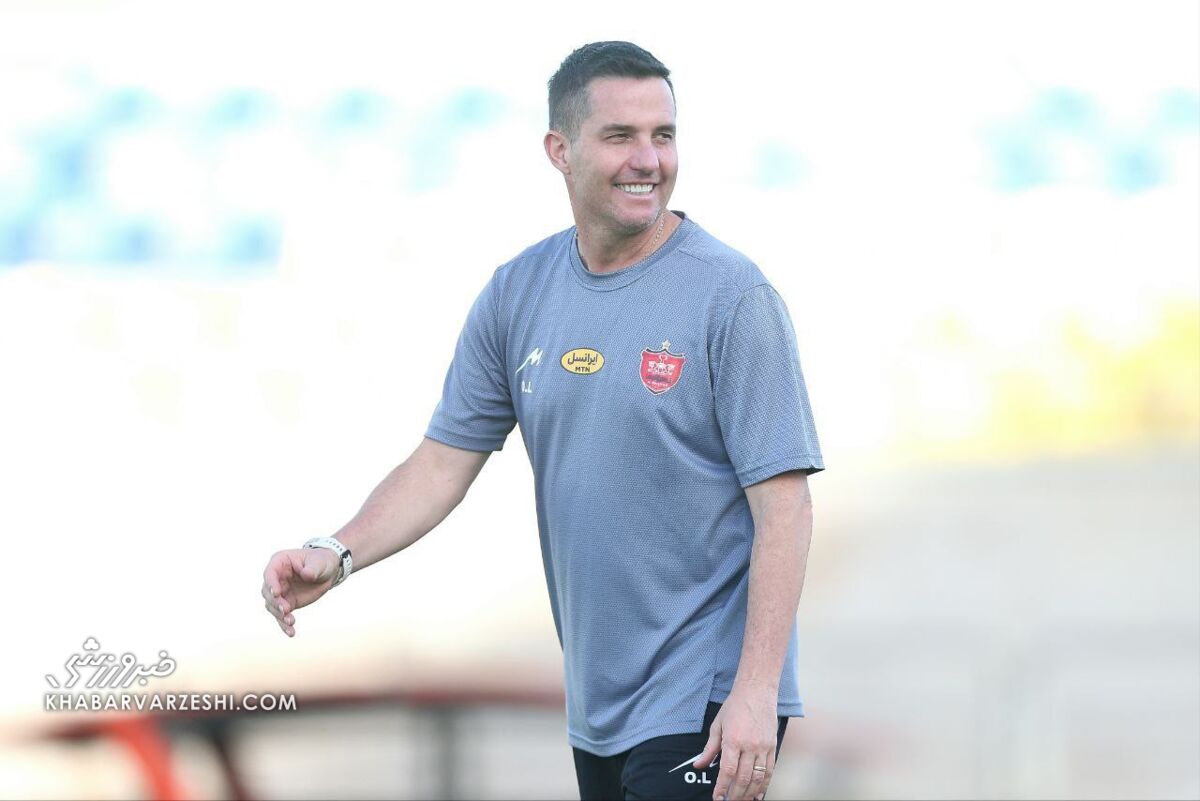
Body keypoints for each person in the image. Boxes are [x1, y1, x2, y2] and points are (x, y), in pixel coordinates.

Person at [260, 41, 823, 801]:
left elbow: (785, 506)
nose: (649, 160)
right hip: (599, 703)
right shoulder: (517, 293)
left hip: (708, 698)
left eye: (663, 135)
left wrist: (756, 691)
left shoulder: (733, 297)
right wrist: (337, 550)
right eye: (620, 136)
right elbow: (441, 463)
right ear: (560, 150)